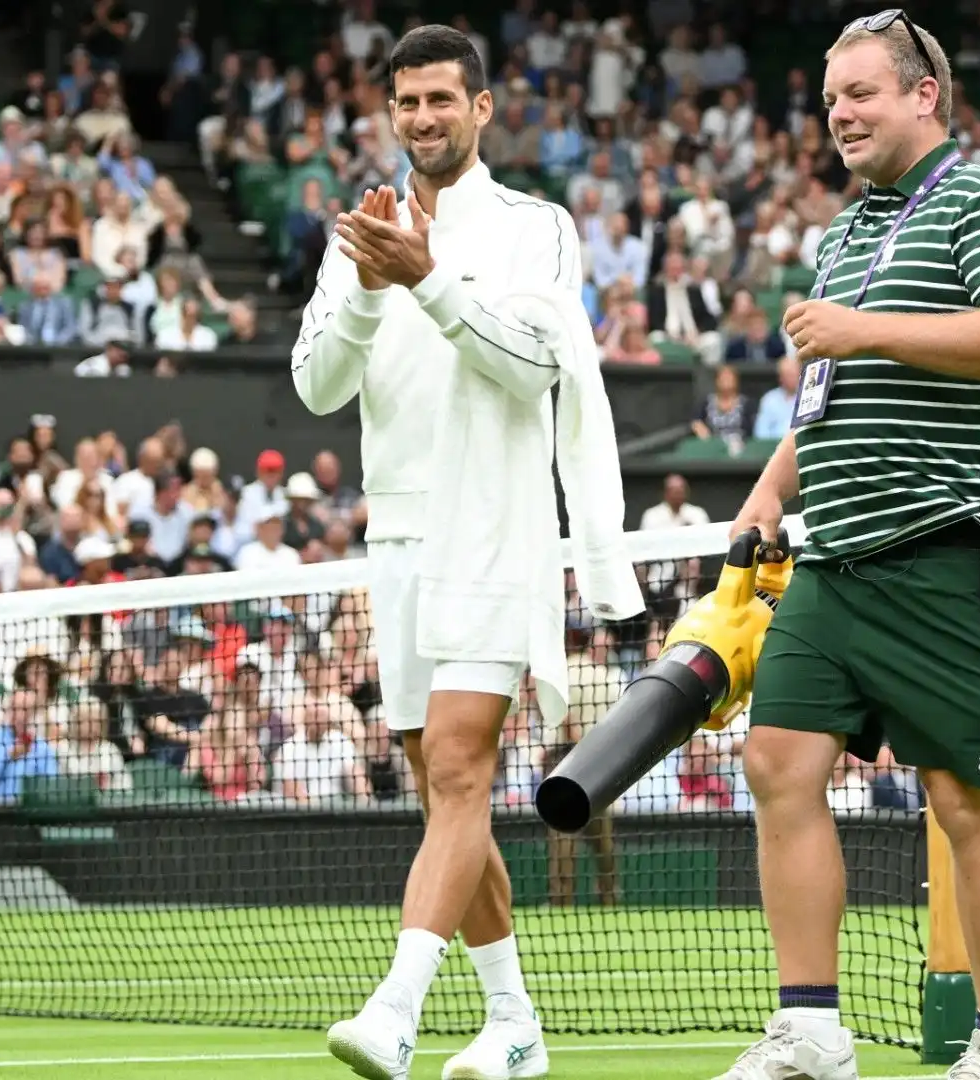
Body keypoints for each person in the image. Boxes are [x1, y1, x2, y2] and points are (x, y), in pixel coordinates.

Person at [291, 25, 641, 1080]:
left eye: (443, 99)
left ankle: (396, 1009)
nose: (424, 118)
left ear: (482, 110)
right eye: (407, 103)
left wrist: (428, 276)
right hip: (396, 537)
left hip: (496, 530)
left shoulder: (537, 229)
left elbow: (533, 368)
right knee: (443, 785)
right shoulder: (359, 235)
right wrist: (366, 282)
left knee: (455, 764)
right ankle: (515, 1024)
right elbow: (317, 388)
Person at [721, 12, 980, 1080]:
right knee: (777, 763)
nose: (841, 116)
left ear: (924, 95)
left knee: (965, 800)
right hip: (837, 556)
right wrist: (772, 488)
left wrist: (862, 329)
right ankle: (812, 1028)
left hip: (955, 549)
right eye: (830, 102)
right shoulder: (848, 231)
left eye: (860, 93)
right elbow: (829, 394)